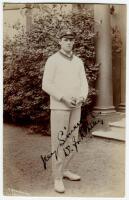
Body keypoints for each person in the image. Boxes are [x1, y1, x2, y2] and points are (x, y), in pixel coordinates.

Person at [42, 29, 89, 193]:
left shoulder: (78, 61)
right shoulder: (52, 60)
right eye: (65, 39)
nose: (69, 42)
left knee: (72, 141)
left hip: (76, 106)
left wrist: (82, 97)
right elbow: (46, 84)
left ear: (73, 42)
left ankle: (65, 170)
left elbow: (84, 83)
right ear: (60, 42)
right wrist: (63, 98)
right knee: (59, 141)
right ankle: (57, 178)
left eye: (71, 39)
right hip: (60, 106)